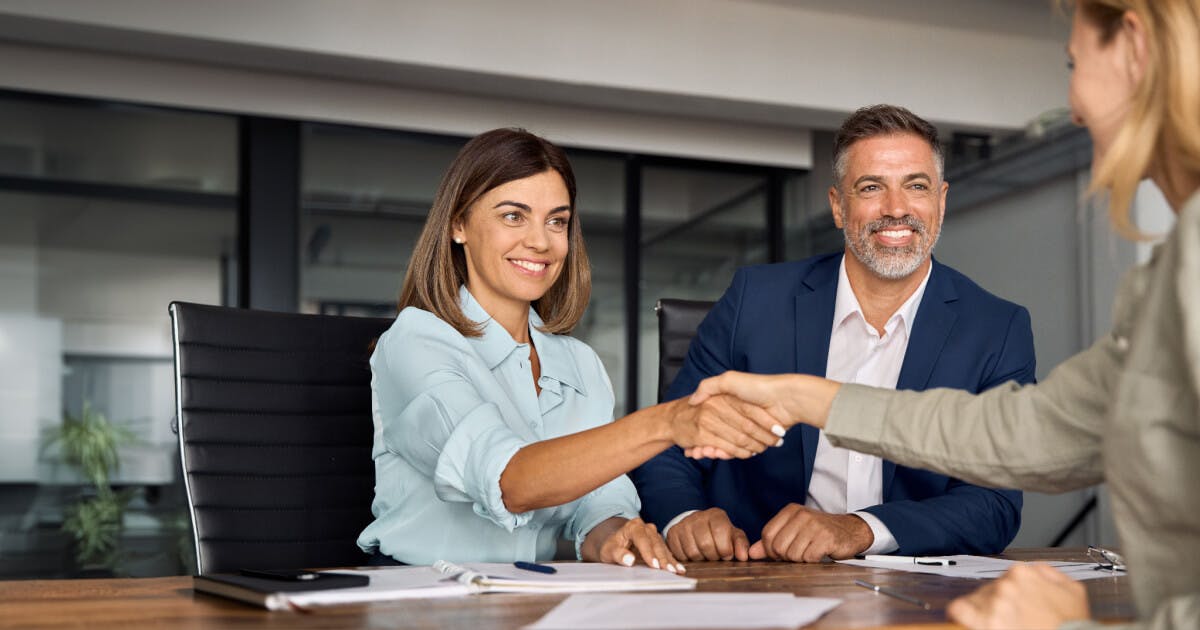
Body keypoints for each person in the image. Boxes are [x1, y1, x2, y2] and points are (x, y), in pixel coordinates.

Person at [688, 1, 1200, 627]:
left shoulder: (1026, 314)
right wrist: (810, 399)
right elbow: (1030, 434)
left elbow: (1007, 472)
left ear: (1137, 47)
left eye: (1072, 64)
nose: (1071, 106)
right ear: (838, 204)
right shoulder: (1173, 269)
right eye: (872, 186)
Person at [356, 128, 781, 571]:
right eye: (513, 216)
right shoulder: (415, 342)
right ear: (458, 225)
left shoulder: (580, 363)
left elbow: (599, 501)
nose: (541, 241)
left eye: (556, 221)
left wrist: (616, 534)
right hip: (423, 598)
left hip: (530, 596)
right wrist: (669, 423)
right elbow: (509, 480)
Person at [632, 105, 1032, 564]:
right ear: (839, 206)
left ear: (941, 201)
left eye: (916, 186)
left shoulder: (997, 328)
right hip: (757, 579)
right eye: (871, 187)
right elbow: (667, 439)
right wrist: (686, 516)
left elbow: (995, 501)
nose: (896, 208)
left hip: (910, 589)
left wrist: (861, 529)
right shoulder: (754, 299)